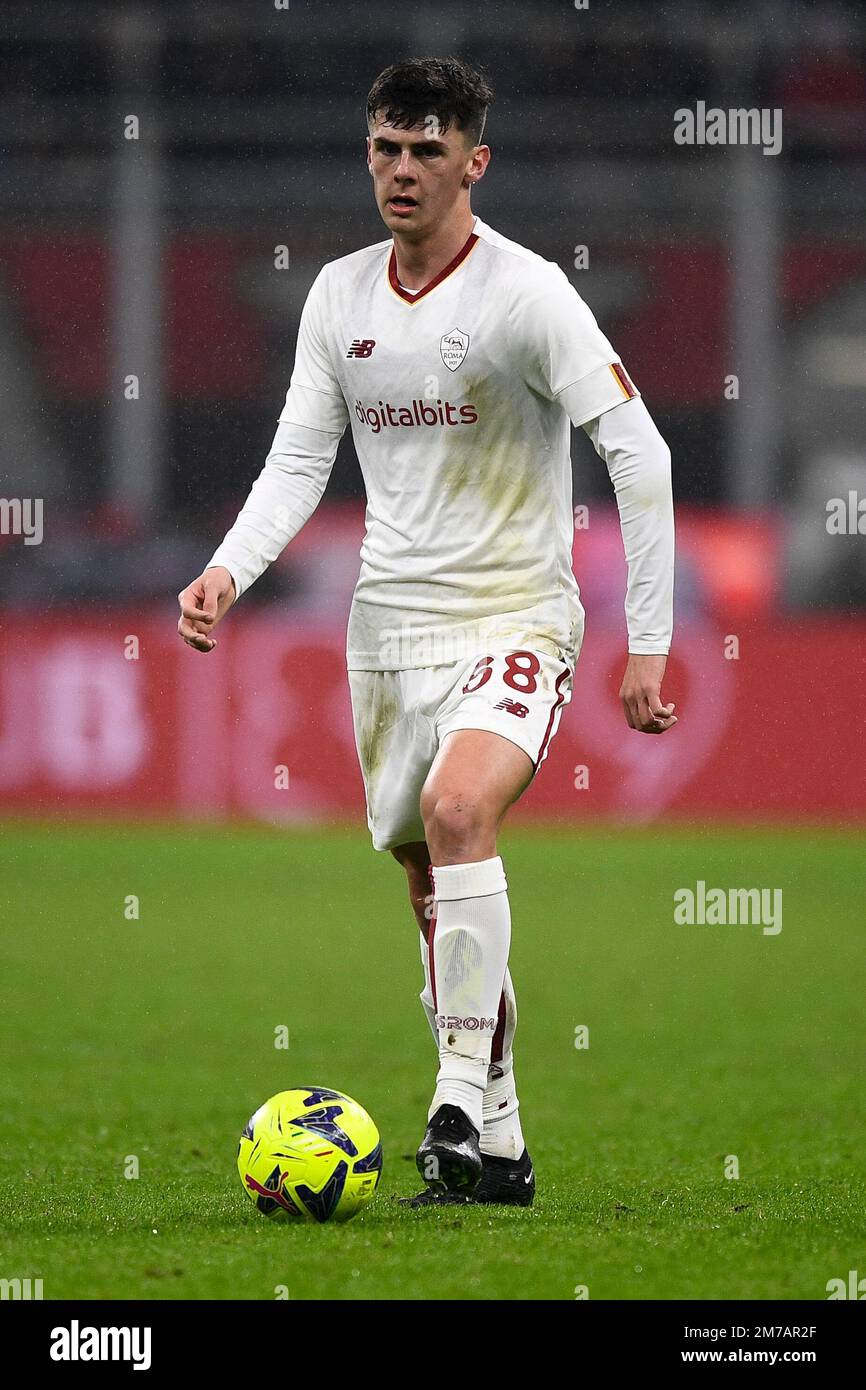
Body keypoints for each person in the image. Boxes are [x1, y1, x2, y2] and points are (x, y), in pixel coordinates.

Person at [177, 56, 676, 1207]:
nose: (401, 171)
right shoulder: (339, 296)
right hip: (385, 631)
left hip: (513, 613)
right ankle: (495, 1149)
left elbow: (636, 454)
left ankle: (450, 1094)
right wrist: (226, 568)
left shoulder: (527, 293)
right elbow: (300, 458)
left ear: (472, 162)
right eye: (384, 149)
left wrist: (644, 641)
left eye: (426, 151)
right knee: (427, 879)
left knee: (460, 812)